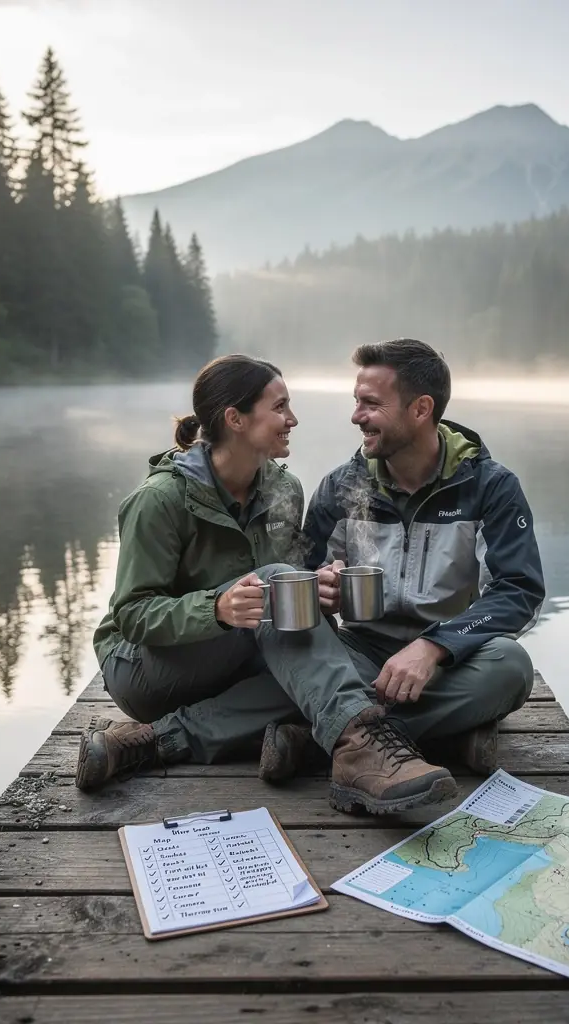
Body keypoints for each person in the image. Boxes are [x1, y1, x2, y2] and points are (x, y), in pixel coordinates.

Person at [76, 353, 456, 817]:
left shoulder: (284, 489)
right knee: (308, 640)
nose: (292, 419)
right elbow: (133, 616)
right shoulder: (160, 500)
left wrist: (315, 586)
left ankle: (151, 743)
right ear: (235, 419)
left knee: (336, 662)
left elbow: (284, 589)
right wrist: (216, 607)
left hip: (232, 656)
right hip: (145, 669)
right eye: (279, 408)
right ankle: (359, 748)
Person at [268, 337, 544, 779]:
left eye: (371, 404)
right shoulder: (341, 485)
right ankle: (447, 734)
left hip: (451, 659)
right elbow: (298, 572)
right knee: (285, 658)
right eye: (357, 401)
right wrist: (320, 586)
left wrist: (435, 646)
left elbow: (518, 590)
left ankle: (327, 740)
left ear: (421, 410)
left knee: (510, 666)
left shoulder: (491, 488)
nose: (357, 416)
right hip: (358, 653)